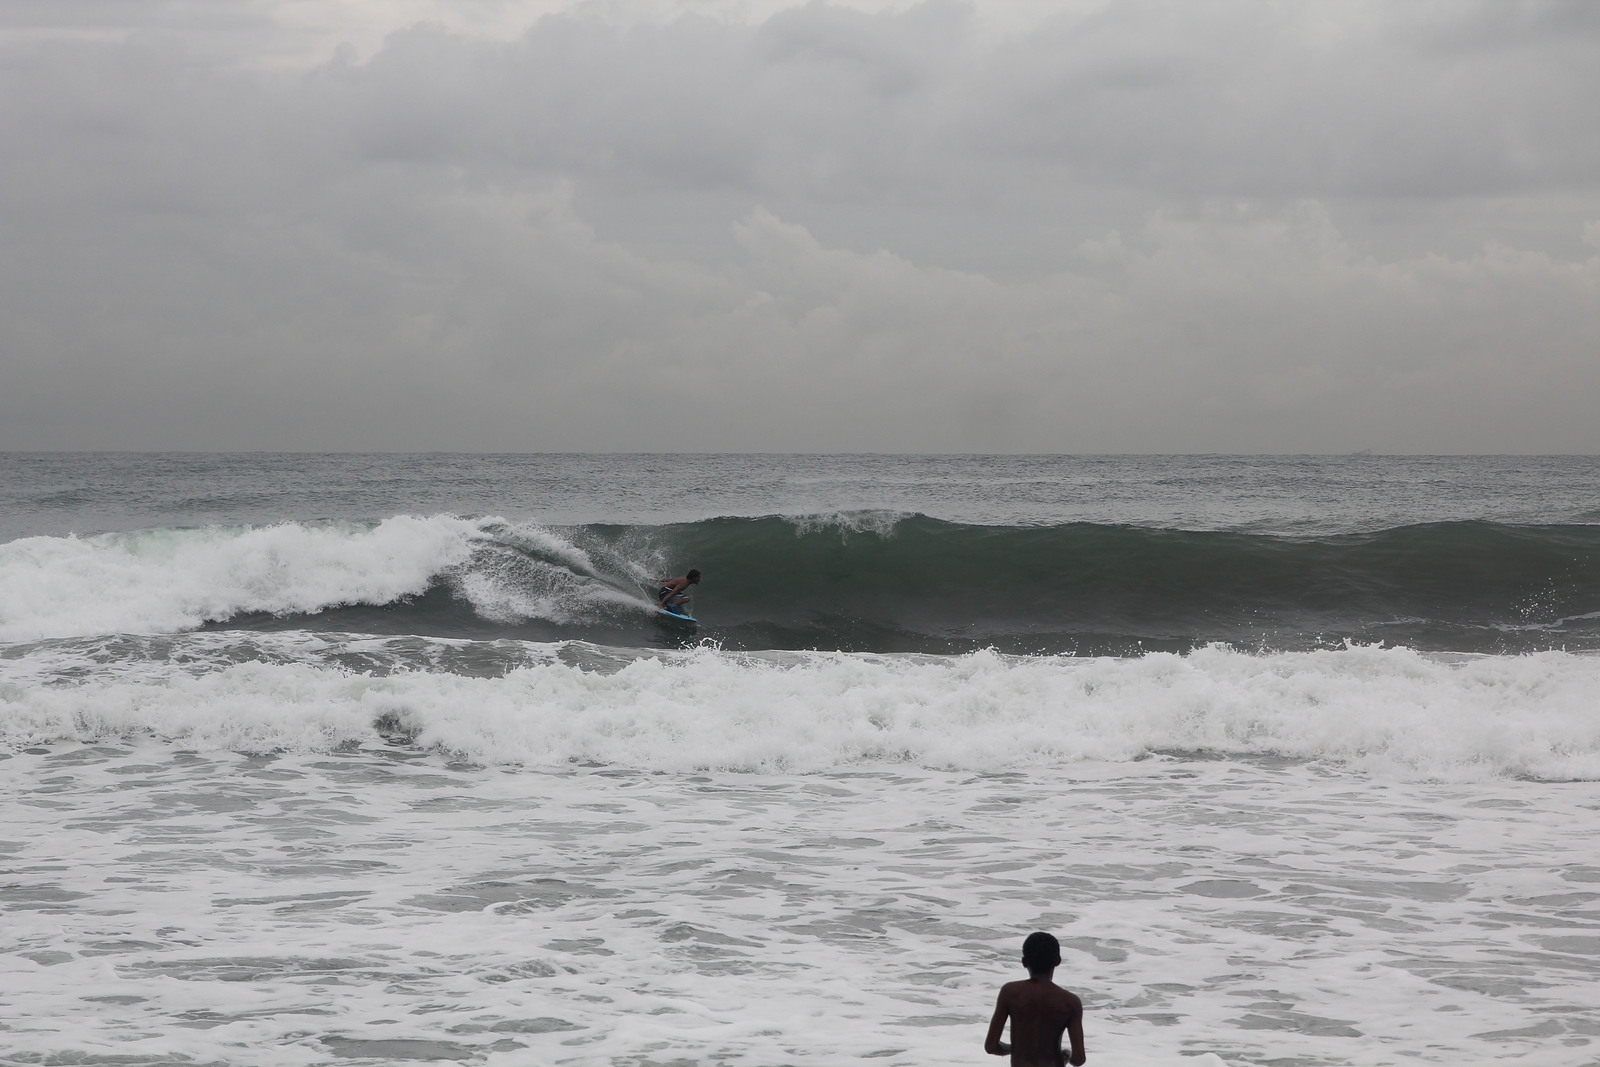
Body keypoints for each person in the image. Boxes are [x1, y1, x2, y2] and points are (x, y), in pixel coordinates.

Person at [984, 932, 1086, 1067]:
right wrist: (1066, 1055)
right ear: (1058, 961)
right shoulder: (1070, 1002)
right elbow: (1079, 1059)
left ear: (1024, 962)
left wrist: (1014, 1047)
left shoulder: (1010, 992)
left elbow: (991, 1046)